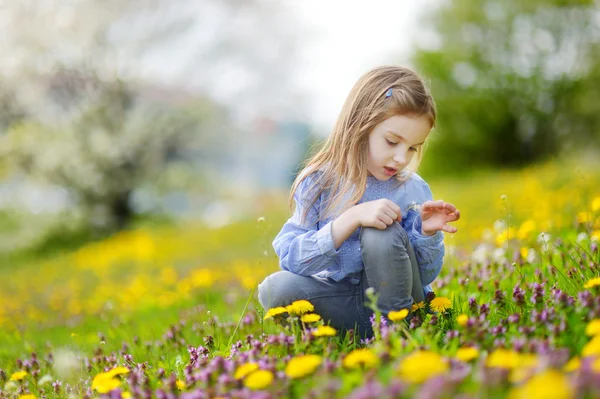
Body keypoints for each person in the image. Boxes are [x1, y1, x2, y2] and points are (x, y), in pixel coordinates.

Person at [257, 65, 460, 338]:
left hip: (400, 307)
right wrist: (350, 219)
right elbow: (293, 261)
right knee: (274, 289)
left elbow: (424, 277)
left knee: (381, 230)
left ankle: (398, 336)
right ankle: (356, 335)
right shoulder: (319, 183)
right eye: (392, 142)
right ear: (360, 126)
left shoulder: (411, 188)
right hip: (343, 301)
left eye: (412, 148)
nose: (401, 158)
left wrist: (426, 233)